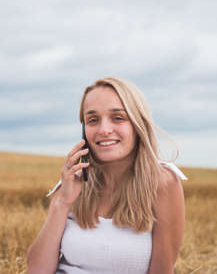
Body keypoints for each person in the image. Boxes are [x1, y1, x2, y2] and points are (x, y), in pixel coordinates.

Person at [26, 77, 187, 274]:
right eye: (92, 120)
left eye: (118, 118)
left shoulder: (162, 182)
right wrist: (61, 202)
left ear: (138, 124)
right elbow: (36, 271)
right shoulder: (74, 181)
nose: (104, 130)